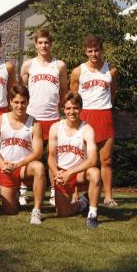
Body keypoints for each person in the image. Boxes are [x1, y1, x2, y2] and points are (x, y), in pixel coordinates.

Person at [20, 28, 68, 207]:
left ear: (51, 44)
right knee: (29, 156)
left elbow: (64, 91)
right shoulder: (28, 65)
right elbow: (21, 91)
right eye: (40, 42)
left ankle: (55, 192)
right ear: (35, 44)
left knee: (54, 157)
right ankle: (23, 192)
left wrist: (57, 106)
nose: (43, 45)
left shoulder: (60, 65)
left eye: (46, 42)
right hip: (32, 118)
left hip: (53, 117)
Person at [70, 35, 118, 207]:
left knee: (106, 159)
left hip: (104, 115)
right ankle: (75, 195)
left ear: (101, 50)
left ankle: (108, 197)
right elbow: (74, 96)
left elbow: (112, 94)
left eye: (96, 50)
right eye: (90, 51)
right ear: (85, 51)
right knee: (79, 158)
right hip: (85, 116)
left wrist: (105, 107)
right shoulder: (78, 71)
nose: (94, 54)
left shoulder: (111, 70)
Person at [0, 85, 46, 224]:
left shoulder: (35, 123)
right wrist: (2, 163)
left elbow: (38, 152)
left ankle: (36, 210)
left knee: (39, 167)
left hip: (24, 166)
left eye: (23, 102)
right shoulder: (0, 120)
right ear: (10, 102)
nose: (20, 106)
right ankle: (15, 193)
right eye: (16, 102)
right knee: (10, 211)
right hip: (6, 167)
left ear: (28, 102)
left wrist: (18, 164)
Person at [48, 91, 101, 228]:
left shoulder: (87, 129)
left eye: (75, 108)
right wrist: (57, 173)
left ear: (81, 109)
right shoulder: (55, 128)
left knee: (95, 173)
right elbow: (51, 157)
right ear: (63, 109)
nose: (72, 111)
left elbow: (93, 160)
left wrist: (70, 172)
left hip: (79, 173)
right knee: (63, 214)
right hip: (62, 173)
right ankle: (83, 202)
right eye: (68, 108)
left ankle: (93, 214)